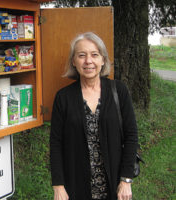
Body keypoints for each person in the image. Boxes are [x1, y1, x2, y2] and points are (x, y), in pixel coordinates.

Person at [50, 32, 138, 200]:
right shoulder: (63, 97)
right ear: (74, 62)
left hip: (114, 184)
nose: (88, 61)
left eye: (94, 55)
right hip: (76, 184)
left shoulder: (119, 91)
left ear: (103, 60)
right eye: (81, 55)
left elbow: (131, 136)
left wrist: (126, 180)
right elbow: (56, 143)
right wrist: (58, 186)